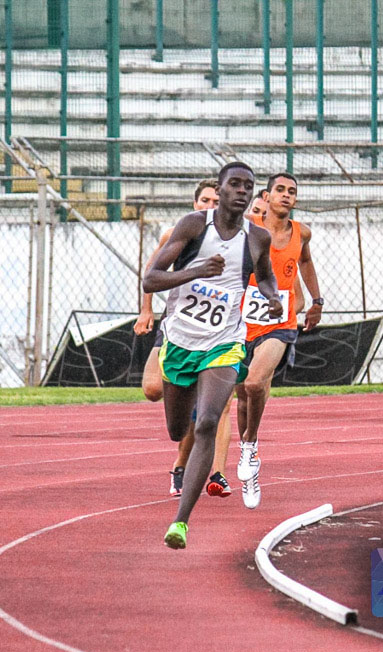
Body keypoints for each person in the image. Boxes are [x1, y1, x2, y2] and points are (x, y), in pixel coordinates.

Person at [144, 162, 281, 549]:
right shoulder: (192, 226)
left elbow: (266, 275)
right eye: (233, 184)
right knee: (178, 429)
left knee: (207, 422)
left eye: (248, 187)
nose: (241, 191)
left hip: (224, 342)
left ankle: (181, 522)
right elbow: (151, 279)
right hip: (181, 340)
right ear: (218, 190)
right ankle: (183, 448)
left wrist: (270, 296)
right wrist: (197, 271)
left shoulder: (257, 237)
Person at [133, 179, 236, 498]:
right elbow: (151, 272)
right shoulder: (177, 234)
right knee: (152, 389)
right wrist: (146, 311)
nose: (209, 205)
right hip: (176, 329)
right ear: (196, 204)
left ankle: (211, 472)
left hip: (218, 335)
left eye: (215, 201)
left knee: (218, 406)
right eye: (204, 200)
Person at [232, 172, 323, 509]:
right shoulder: (247, 228)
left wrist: (317, 301)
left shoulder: (302, 233)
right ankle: (249, 462)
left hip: (279, 323)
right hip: (241, 322)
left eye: (292, 192)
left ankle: (250, 445)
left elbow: (306, 261)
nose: (286, 196)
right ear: (266, 197)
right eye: (280, 190)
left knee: (256, 384)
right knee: (243, 395)